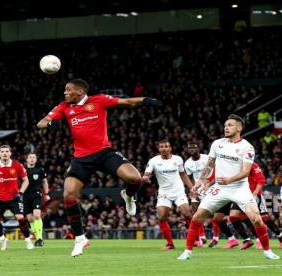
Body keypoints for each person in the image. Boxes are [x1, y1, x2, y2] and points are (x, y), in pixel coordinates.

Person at [36, 78, 162, 257]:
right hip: (81, 159)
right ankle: (80, 239)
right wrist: (50, 123)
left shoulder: (99, 100)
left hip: (104, 153)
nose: (65, 93)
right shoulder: (64, 106)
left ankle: (128, 194)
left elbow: (126, 102)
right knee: (68, 194)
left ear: (80, 91)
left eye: (68, 89)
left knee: (135, 178)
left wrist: (145, 100)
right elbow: (41, 122)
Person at [177, 114, 280, 260]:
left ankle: (267, 251)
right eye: (225, 125)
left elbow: (245, 172)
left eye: (230, 125)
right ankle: (187, 252)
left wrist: (229, 179)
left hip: (239, 188)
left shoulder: (247, 147)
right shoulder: (217, 143)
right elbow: (210, 164)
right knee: (197, 216)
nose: (226, 127)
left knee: (256, 219)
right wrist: (200, 181)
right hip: (220, 188)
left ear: (239, 128)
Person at [143, 139, 193, 250]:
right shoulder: (153, 161)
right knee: (161, 217)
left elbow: (183, 175)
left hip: (178, 191)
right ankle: (170, 244)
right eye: (161, 147)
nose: (164, 149)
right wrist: (145, 178)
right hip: (164, 192)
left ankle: (196, 238)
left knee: (187, 214)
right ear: (159, 149)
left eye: (166, 146)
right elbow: (147, 174)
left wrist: (191, 188)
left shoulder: (178, 159)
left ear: (170, 148)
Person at [0, 145, 33, 250]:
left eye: (7, 151)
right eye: (2, 151)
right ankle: (2, 239)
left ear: (10, 153)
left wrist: (21, 192)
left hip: (14, 198)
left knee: (21, 218)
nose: (5, 153)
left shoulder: (17, 165)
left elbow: (26, 180)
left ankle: (28, 240)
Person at [229, 162, 282, 250]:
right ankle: (247, 240)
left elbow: (261, 179)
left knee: (264, 218)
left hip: (254, 195)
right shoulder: (234, 165)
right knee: (233, 216)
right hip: (240, 195)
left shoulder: (251, 164)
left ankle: (280, 235)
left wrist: (255, 193)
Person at [184, 141, 209, 246]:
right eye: (189, 148)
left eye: (194, 147)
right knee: (195, 213)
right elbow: (189, 178)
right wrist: (192, 190)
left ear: (198, 148)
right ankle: (201, 237)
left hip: (210, 187)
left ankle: (222, 238)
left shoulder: (207, 158)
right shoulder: (187, 163)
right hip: (197, 189)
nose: (191, 149)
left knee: (217, 214)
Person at [24, 152, 50, 247]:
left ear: (36, 159)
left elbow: (44, 181)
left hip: (36, 194)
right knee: (30, 219)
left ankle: (39, 239)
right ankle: (37, 236)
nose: (32, 159)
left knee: (37, 216)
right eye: (30, 157)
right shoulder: (22, 170)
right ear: (27, 159)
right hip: (25, 195)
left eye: (34, 157)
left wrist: (46, 193)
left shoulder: (40, 169)